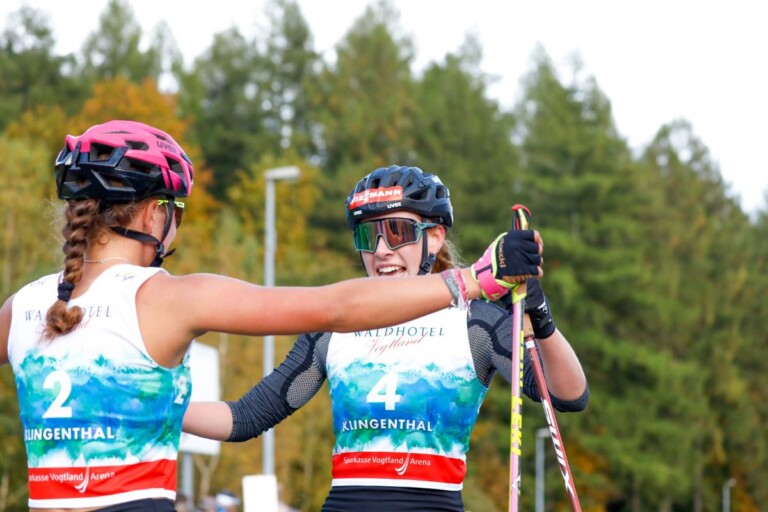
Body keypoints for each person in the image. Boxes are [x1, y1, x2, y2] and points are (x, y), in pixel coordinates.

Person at [0, 123, 540, 512]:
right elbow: (336, 307)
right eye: (177, 213)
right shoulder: (171, 296)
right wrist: (475, 279)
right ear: (153, 213)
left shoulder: (23, 305)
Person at [183, 165, 588, 512]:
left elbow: (568, 395)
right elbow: (246, 417)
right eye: (367, 236)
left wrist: (541, 316)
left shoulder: (474, 323)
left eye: (397, 232)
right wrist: (157, 407)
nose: (381, 251)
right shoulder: (335, 325)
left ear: (434, 238)